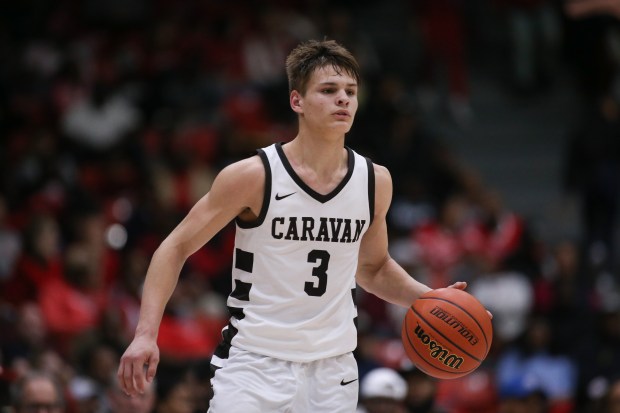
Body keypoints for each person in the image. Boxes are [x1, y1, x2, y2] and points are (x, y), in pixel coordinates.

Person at [118, 39, 474, 412]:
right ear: (296, 101)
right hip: (255, 364)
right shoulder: (254, 176)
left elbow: (373, 267)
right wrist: (145, 334)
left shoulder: (374, 181)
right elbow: (174, 247)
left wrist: (431, 300)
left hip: (333, 371)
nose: (343, 99)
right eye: (328, 90)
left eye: (350, 92)